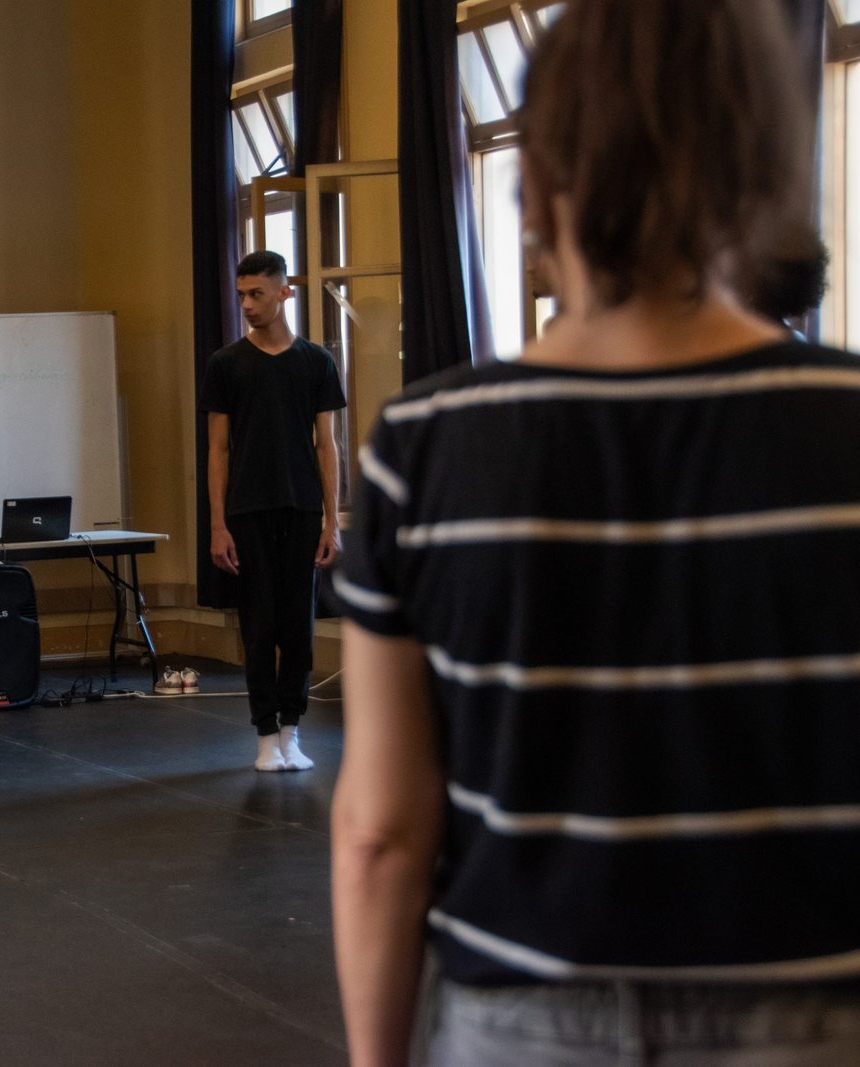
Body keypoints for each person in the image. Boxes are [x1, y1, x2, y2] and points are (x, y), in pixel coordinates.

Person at [331, 2, 860, 1064]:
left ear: (537, 178)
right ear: (757, 166)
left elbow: (382, 830)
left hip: (521, 1017)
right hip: (811, 1010)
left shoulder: (423, 447)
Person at [200, 250, 346, 771]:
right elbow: (217, 449)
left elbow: (327, 446)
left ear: (285, 293)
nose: (246, 304)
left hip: (302, 507)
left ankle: (292, 731)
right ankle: (265, 734)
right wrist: (217, 524)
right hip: (248, 508)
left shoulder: (316, 363)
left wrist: (333, 521)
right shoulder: (226, 364)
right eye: (241, 295)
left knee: (298, 627)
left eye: (256, 294)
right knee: (259, 625)